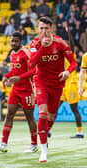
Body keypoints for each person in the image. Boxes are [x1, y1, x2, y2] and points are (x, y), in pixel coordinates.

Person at [29, 16, 77, 162]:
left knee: (50, 117)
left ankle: (45, 134)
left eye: (46, 28)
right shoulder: (34, 43)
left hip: (57, 84)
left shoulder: (60, 43)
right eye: (41, 28)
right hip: (41, 83)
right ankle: (44, 150)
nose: (43, 31)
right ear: (38, 29)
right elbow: (31, 63)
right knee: (42, 113)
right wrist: (42, 47)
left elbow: (73, 62)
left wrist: (68, 71)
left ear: (51, 28)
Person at [0, 31, 37, 153]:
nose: (13, 43)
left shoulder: (26, 52)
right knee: (9, 115)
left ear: (20, 42)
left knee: (29, 118)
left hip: (27, 90)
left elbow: (34, 70)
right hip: (16, 90)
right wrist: (7, 75)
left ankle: (34, 144)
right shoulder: (12, 54)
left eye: (16, 41)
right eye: (12, 41)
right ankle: (3, 143)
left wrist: (20, 78)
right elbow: (15, 70)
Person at [56, 22, 84, 138]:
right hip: (62, 86)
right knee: (55, 107)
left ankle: (80, 131)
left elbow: (71, 44)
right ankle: (48, 130)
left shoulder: (70, 54)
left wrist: (68, 32)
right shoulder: (59, 57)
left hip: (71, 85)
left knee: (74, 110)